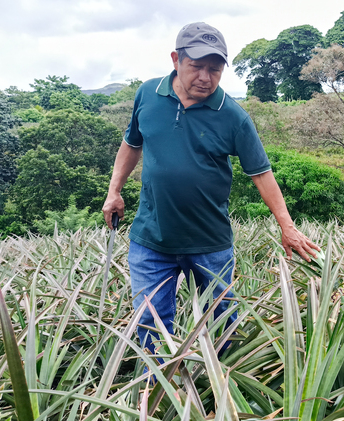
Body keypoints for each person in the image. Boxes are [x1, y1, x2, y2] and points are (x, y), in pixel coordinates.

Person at [102, 21, 320, 370]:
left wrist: (288, 226)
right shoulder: (148, 94)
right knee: (150, 325)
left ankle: (219, 391)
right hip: (150, 240)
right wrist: (114, 192)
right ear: (176, 60)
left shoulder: (233, 116)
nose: (206, 77)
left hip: (210, 243)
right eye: (197, 67)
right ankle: (153, 403)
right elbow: (132, 144)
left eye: (215, 70)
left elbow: (261, 174)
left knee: (222, 323)